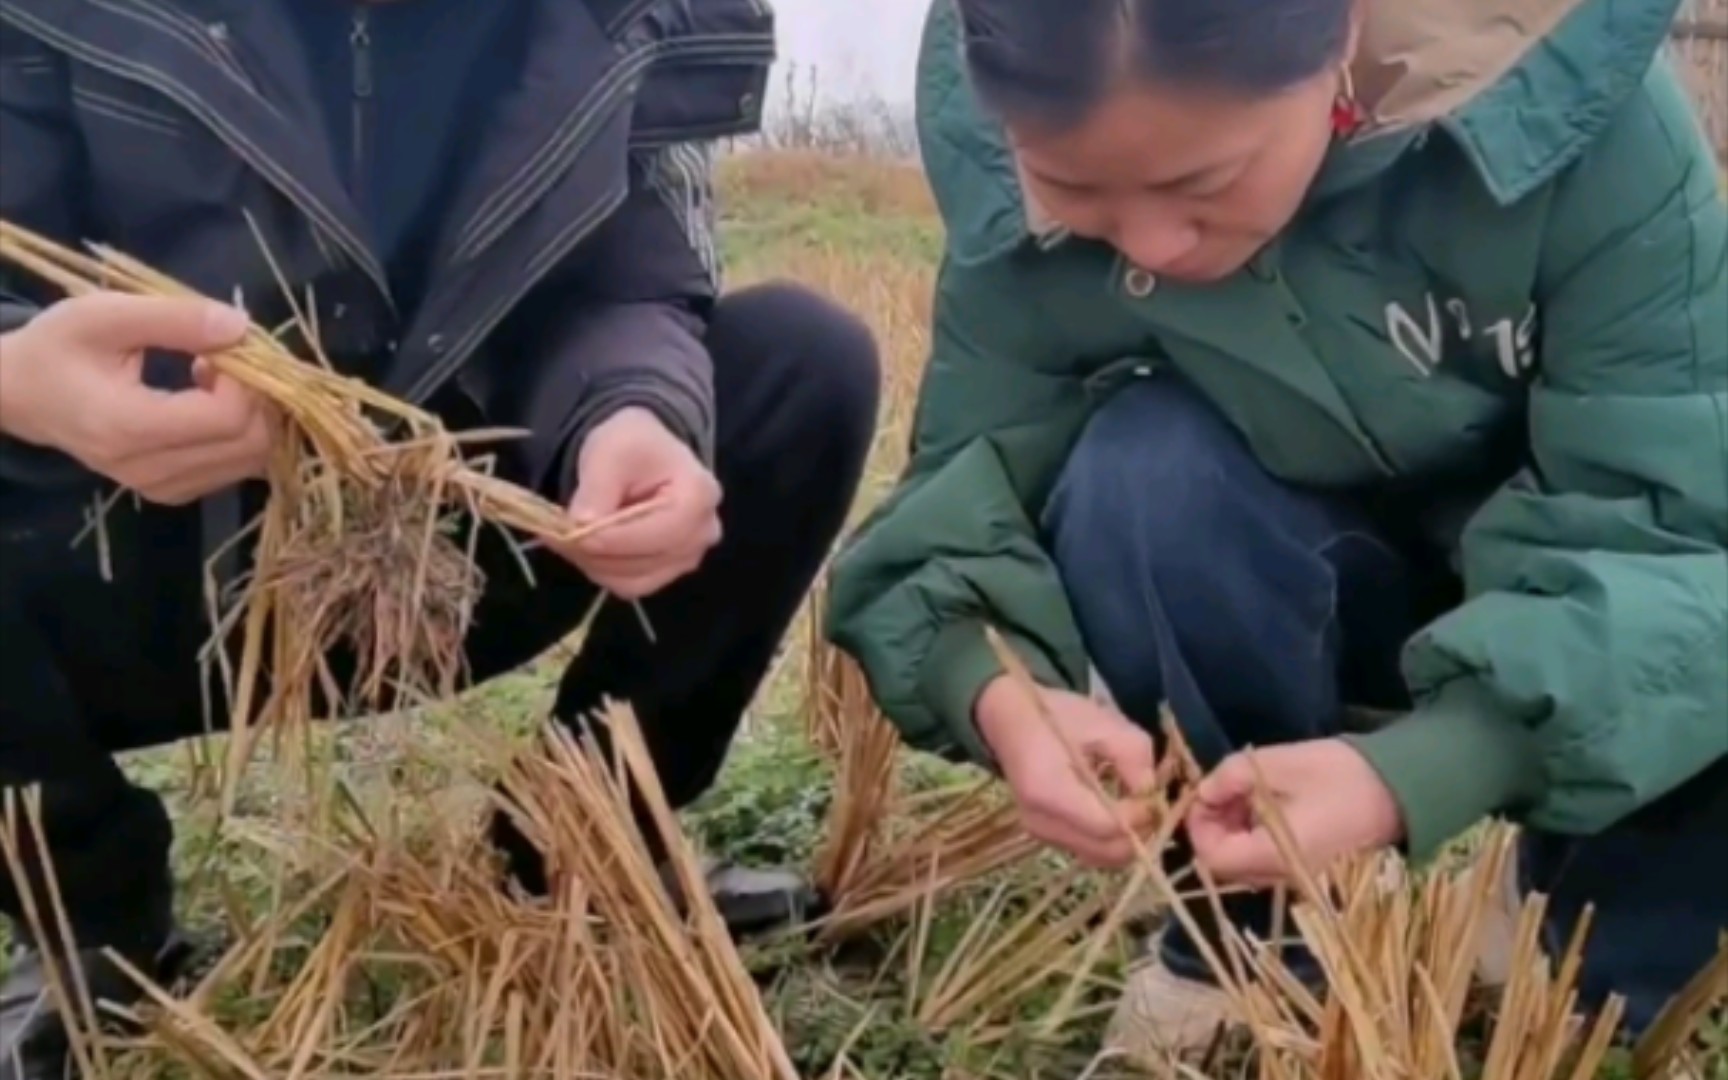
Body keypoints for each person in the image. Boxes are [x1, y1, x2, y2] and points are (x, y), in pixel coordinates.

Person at [827, 0, 1727, 1063]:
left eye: (1202, 183)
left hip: (1558, 594)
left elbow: (1672, 539)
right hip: (1304, 587)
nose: (1153, 244)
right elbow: (955, 502)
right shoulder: (1011, 179)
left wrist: (1430, 766)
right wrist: (1002, 698)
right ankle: (1252, 937)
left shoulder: (1583, 121)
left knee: (1687, 664)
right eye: (1075, 190)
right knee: (1140, 471)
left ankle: (1593, 954)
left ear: (1341, 37)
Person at [0, 0, 880, 1075]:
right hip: (137, 554)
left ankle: (584, 844)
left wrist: (633, 414)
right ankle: (91, 919)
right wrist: (18, 381)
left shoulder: (627, 13)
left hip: (462, 550)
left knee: (802, 367)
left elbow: (631, 280)